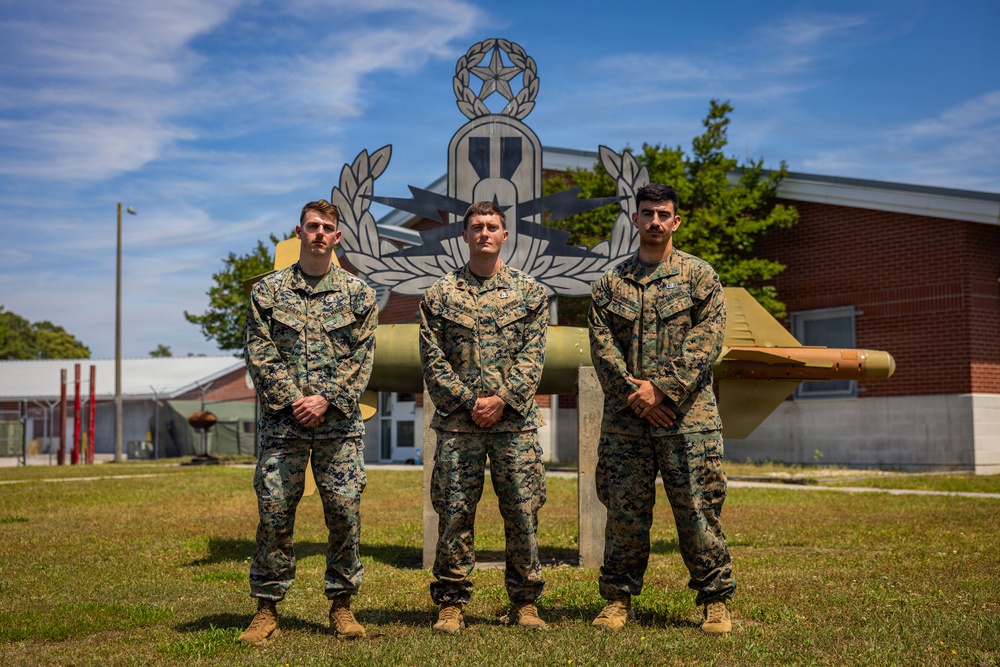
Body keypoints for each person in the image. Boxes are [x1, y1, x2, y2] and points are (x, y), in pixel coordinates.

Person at [587, 183, 735, 634]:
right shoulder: (610, 284)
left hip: (688, 420)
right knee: (625, 514)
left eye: (663, 214)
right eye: (646, 213)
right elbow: (602, 346)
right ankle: (617, 600)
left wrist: (663, 392)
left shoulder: (699, 278)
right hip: (627, 421)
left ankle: (715, 601)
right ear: (634, 219)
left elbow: (705, 341)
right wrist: (640, 398)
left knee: (697, 509)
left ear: (676, 221)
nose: (654, 221)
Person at [239, 199, 377, 646]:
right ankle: (266, 609)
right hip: (284, 425)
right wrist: (295, 400)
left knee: (343, 514)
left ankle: (342, 606)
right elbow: (260, 352)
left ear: (338, 237)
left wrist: (326, 399)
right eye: (312, 225)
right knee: (275, 513)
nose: (320, 233)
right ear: (298, 232)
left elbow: (362, 358)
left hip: (338, 427)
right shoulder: (268, 292)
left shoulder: (360, 294)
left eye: (328, 227)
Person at [419, 201, 549, 634]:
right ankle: (452, 602)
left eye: (492, 226)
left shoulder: (530, 293)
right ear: (465, 235)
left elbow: (534, 357)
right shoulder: (439, 295)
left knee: (522, 511)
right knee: (455, 512)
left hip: (514, 425)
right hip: (460, 425)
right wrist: (470, 401)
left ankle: (525, 602)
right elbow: (433, 361)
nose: (485, 233)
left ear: (505, 235)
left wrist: (504, 399)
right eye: (476, 227)